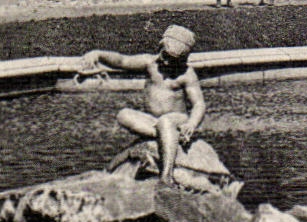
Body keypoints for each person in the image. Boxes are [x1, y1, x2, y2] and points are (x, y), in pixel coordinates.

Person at [81, 25, 220, 191]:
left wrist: (191, 124)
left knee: (166, 121)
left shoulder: (186, 74)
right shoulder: (149, 63)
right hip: (152, 122)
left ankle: (166, 175)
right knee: (124, 114)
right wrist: (98, 54)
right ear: (159, 48)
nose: (167, 62)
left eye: (173, 59)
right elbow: (122, 61)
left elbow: (199, 103)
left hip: (177, 119)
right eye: (165, 56)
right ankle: (166, 137)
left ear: (183, 59)